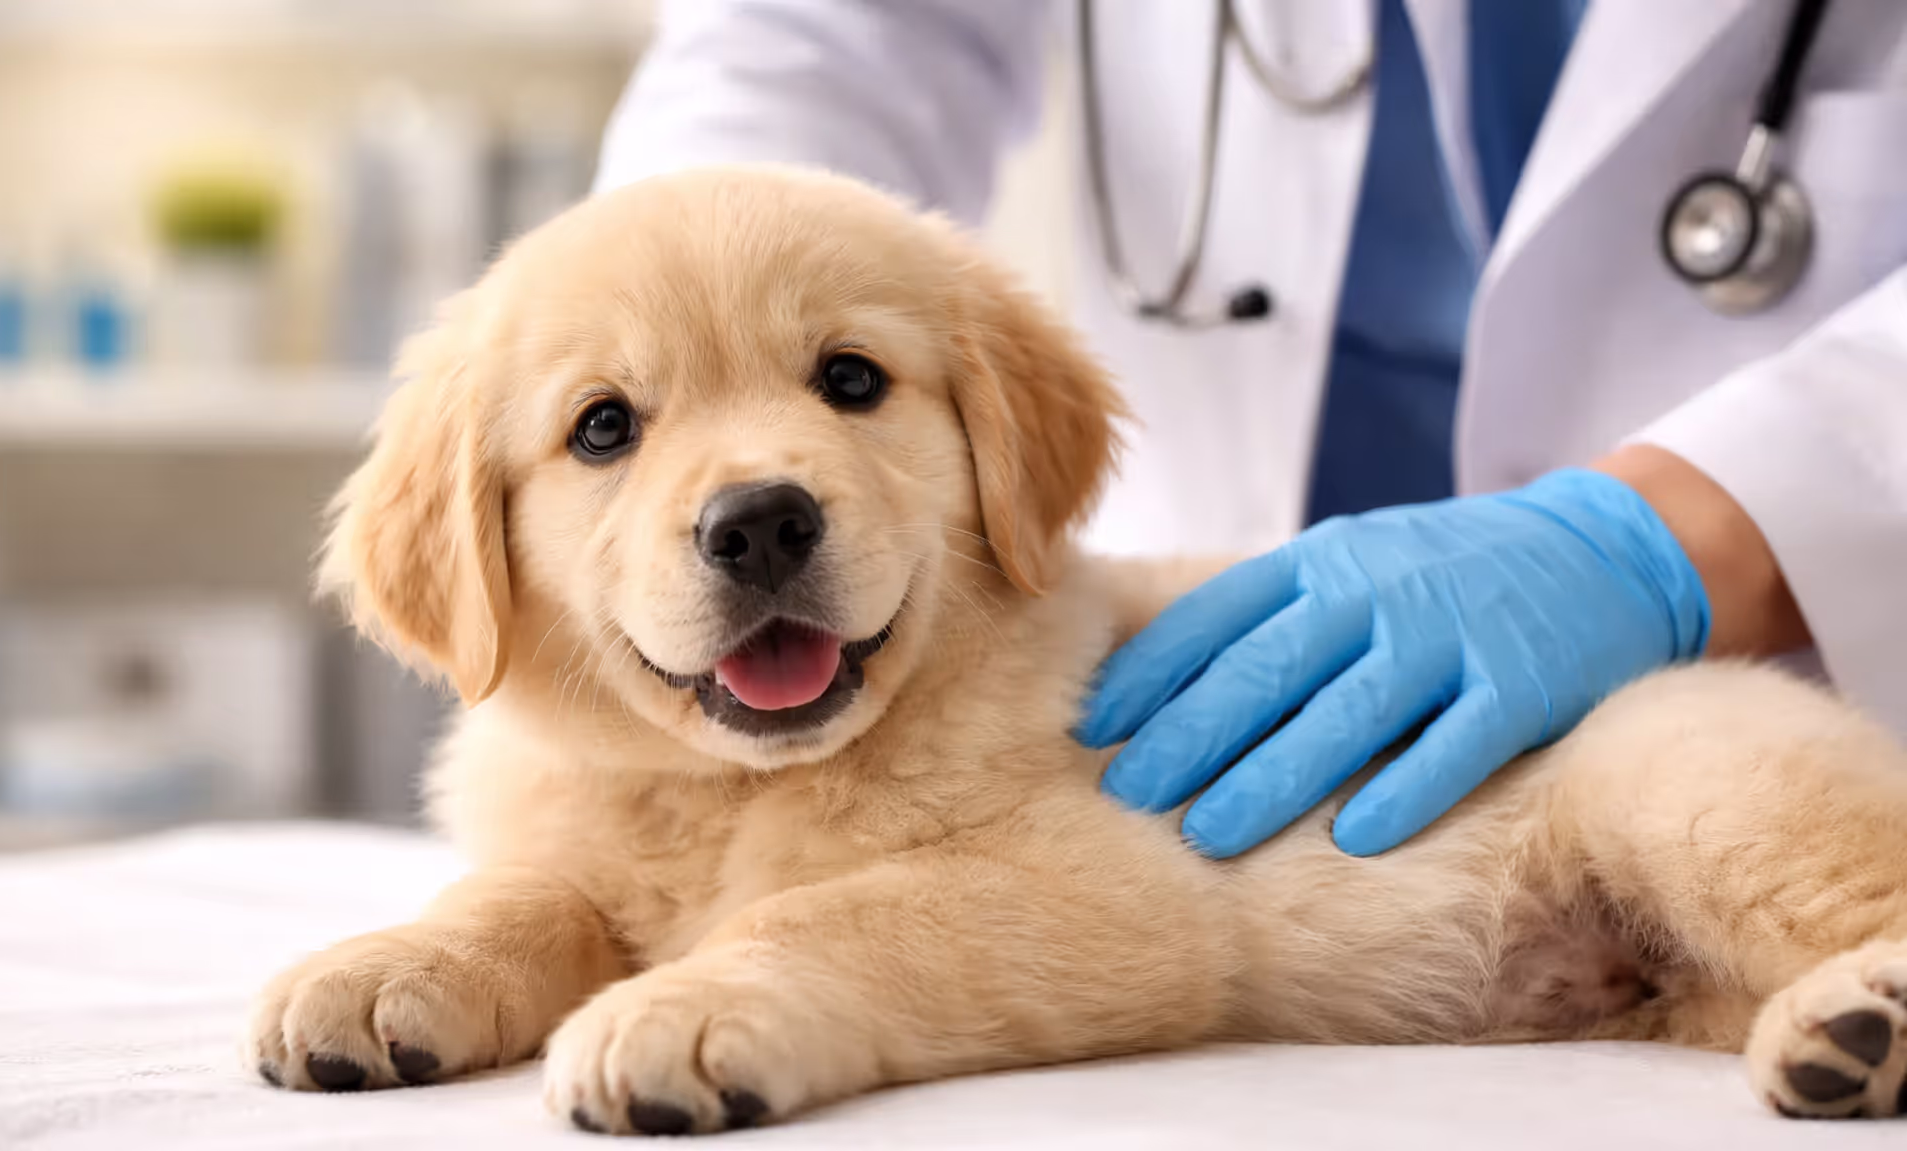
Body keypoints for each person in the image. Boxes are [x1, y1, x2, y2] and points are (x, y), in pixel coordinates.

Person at [593, 1, 1907, 859]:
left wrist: (1669, 540)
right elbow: (830, 35)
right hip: (1208, 698)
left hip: (1819, 669)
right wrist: (658, 337)